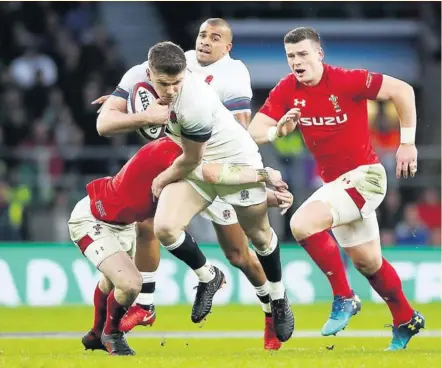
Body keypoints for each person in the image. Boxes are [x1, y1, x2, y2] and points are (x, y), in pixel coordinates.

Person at [94, 18, 289, 350]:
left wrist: (262, 176)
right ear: (150, 73)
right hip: (192, 162)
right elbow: (105, 124)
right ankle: (196, 281)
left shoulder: (209, 90)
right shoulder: (157, 68)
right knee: (160, 227)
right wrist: (142, 116)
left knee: (246, 249)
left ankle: (277, 300)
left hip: (228, 163)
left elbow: (200, 163)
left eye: (174, 84)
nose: (168, 91)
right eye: (202, 35)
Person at [248, 27, 425, 351]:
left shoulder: (346, 80)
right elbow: (254, 130)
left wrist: (408, 143)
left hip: (366, 177)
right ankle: (406, 318)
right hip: (337, 186)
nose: (297, 62)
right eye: (291, 56)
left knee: (301, 223)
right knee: (368, 263)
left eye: (303, 54)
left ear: (319, 54)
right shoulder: (288, 89)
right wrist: (277, 130)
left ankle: (344, 296)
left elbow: (403, 90)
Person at [68, 136, 289, 356]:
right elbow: (214, 175)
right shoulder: (175, 156)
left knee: (112, 281)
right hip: (95, 219)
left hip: (123, 224)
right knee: (129, 283)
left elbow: (221, 185)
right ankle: (113, 333)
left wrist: (272, 196)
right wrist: (266, 175)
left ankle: (98, 333)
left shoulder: (184, 156)